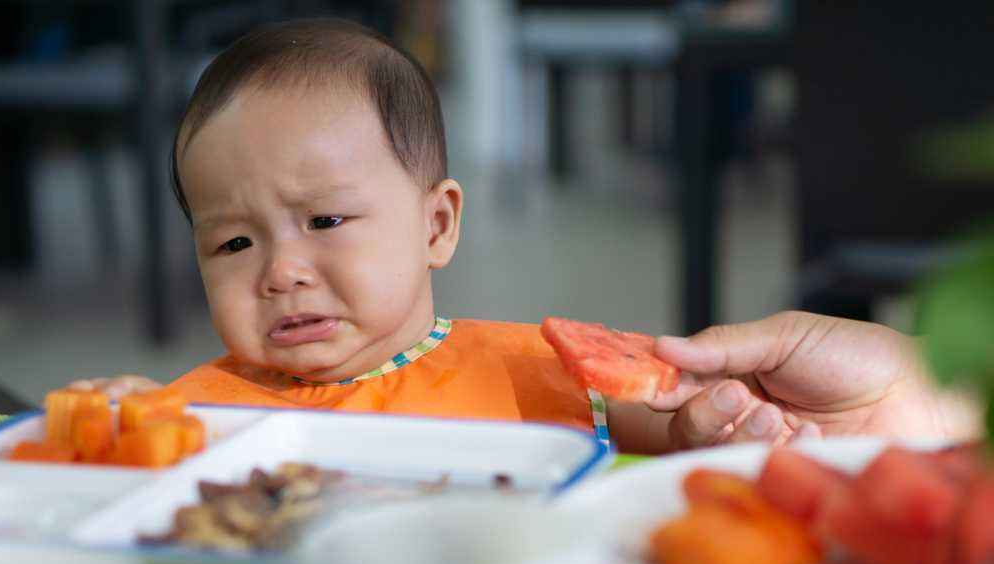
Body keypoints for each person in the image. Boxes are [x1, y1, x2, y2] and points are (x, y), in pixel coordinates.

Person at [66, 19, 983, 454]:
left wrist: (710, 425)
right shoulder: (198, 407)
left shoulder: (528, 370)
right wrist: (108, 427)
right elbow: (125, 467)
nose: (281, 272)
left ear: (437, 223)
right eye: (234, 245)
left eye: (325, 221)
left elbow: (671, 432)